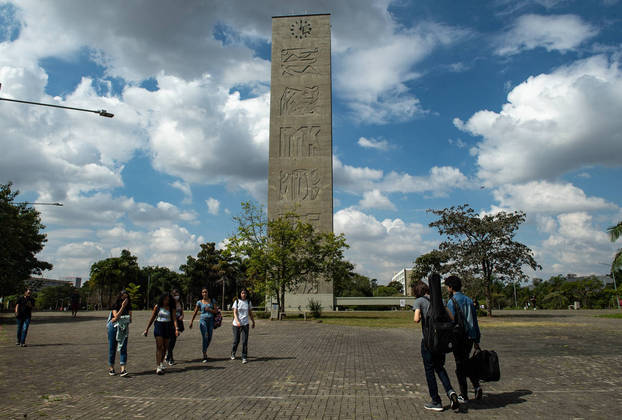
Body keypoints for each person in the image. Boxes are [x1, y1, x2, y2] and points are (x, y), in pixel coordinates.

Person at [413, 281, 459, 411]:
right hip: (441, 341)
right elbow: (451, 317)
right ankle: (450, 392)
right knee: (440, 368)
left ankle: (436, 401)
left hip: (428, 341)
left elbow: (416, 319)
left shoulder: (419, 301)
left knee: (429, 370)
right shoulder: (440, 300)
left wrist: (422, 314)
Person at [445, 275, 482, 403]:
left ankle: (464, 394)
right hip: (470, 337)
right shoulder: (469, 300)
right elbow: (475, 321)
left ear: (450, 287)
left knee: (460, 366)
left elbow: (451, 321)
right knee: (466, 362)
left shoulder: (452, 302)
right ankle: (476, 386)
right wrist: (477, 340)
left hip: (458, 337)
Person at [144, 293, 179, 374]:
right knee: (159, 346)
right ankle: (158, 366)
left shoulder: (171, 308)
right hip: (159, 326)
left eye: (168, 299)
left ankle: (161, 362)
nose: (166, 301)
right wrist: (147, 329)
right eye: (165, 299)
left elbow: (174, 319)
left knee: (165, 347)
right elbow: (152, 318)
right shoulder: (157, 307)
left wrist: (176, 329)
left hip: (168, 327)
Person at [189, 287, 218, 363]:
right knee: (205, 336)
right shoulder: (199, 302)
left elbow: (216, 311)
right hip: (203, 321)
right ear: (201, 294)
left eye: (206, 292)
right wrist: (191, 321)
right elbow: (195, 312)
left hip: (211, 321)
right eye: (203, 292)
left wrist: (210, 310)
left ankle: (204, 348)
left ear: (208, 293)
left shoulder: (212, 301)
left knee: (210, 337)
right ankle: (204, 353)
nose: (204, 293)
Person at [107, 290, 132, 376]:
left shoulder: (129, 307)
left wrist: (125, 317)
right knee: (112, 347)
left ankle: (123, 369)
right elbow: (116, 317)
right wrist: (122, 307)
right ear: (120, 297)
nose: (124, 299)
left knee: (123, 348)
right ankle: (111, 368)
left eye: (126, 297)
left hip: (123, 328)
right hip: (113, 327)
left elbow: (130, 319)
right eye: (123, 297)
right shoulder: (116, 305)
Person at [231, 288, 255, 364]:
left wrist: (253, 321)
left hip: (245, 324)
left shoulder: (248, 302)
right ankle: (233, 352)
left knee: (244, 341)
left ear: (246, 294)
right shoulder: (237, 301)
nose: (243, 294)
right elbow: (234, 312)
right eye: (242, 293)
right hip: (236, 324)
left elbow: (250, 313)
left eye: (244, 293)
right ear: (240, 294)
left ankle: (244, 357)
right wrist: (237, 321)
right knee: (236, 341)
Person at [165, 289, 184, 365]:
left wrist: (182, 316)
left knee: (173, 341)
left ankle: (168, 355)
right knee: (171, 340)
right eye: (174, 295)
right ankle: (170, 358)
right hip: (171, 323)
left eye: (177, 295)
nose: (176, 296)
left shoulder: (180, 303)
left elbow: (182, 312)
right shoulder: (170, 303)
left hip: (178, 322)